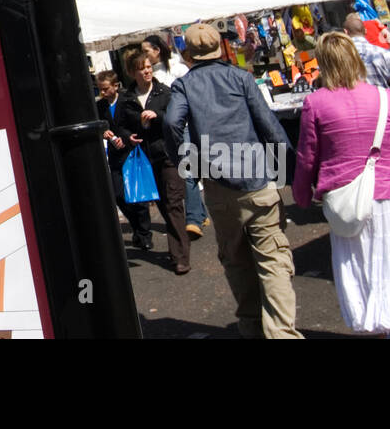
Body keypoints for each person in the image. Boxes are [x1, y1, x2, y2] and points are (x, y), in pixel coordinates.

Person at [294, 32, 390, 337]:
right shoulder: (384, 96)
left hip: (348, 200)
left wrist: (301, 194)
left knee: (363, 275)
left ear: (323, 63)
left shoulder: (315, 103)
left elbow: (307, 157)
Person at [165, 23, 301, 338]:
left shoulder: (184, 86)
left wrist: (188, 163)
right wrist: (285, 175)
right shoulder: (240, 78)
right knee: (273, 262)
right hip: (257, 180)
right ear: (220, 49)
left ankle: (252, 329)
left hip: (218, 185)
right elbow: (269, 126)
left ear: (189, 54)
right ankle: (281, 334)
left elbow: (173, 122)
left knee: (236, 261)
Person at [116, 52, 191, 273]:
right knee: (163, 205)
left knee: (173, 203)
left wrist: (157, 115)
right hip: (144, 159)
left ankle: (180, 257)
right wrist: (128, 136)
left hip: (168, 155)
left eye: (149, 67)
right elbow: (120, 125)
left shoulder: (164, 92)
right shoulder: (126, 99)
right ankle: (177, 248)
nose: (148, 71)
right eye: (142, 68)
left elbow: (176, 119)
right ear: (132, 72)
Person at [144, 35, 210, 239]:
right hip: (164, 131)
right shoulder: (148, 74)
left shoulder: (177, 69)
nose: (144, 56)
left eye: (146, 50)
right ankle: (200, 212)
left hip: (185, 127)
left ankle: (192, 220)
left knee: (187, 171)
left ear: (157, 50)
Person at [96, 70, 153, 250]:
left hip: (131, 153)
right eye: (100, 89)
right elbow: (100, 125)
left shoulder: (127, 101)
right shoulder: (100, 107)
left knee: (138, 198)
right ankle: (137, 227)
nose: (102, 93)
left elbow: (137, 125)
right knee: (118, 194)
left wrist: (125, 137)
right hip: (115, 156)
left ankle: (144, 234)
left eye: (105, 89)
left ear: (115, 86)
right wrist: (104, 133)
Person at [343, 13, 390, 109]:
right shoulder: (384, 53)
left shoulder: (339, 56)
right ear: (365, 31)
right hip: (384, 104)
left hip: (356, 107)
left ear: (345, 32)